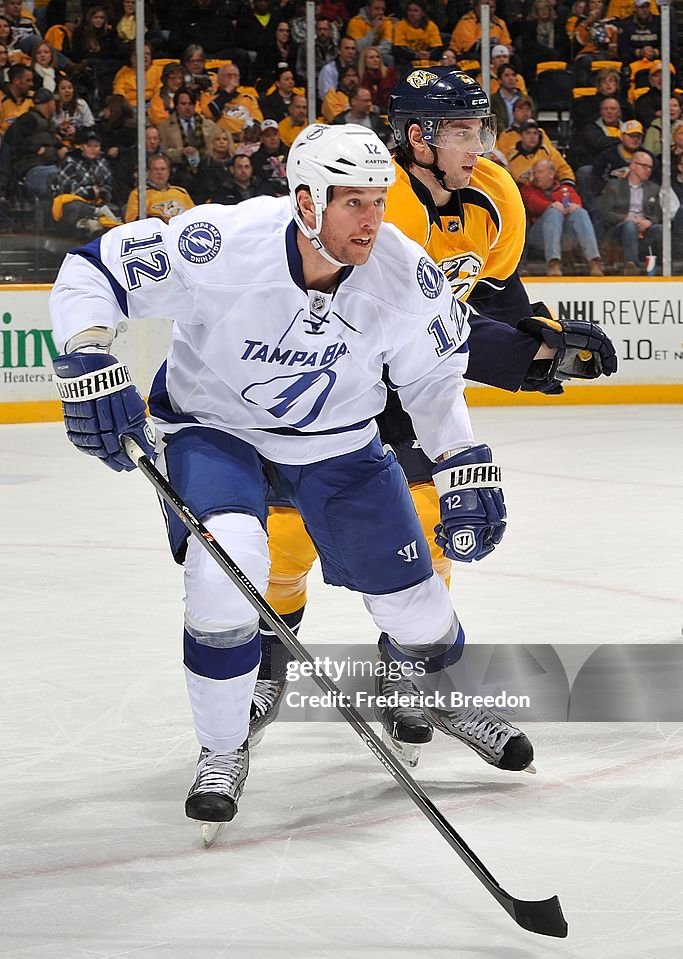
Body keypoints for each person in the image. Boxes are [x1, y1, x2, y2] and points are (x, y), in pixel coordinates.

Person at [49, 123, 533, 838]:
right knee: (227, 576)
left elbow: (433, 379)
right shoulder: (219, 242)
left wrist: (462, 461)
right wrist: (88, 354)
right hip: (216, 432)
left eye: (378, 200)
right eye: (353, 204)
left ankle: (434, 692)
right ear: (305, 201)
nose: (372, 220)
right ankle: (221, 750)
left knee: (418, 612)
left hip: (340, 445)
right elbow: (92, 271)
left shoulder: (403, 272)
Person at [255, 70, 618, 765]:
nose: (477, 144)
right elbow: (392, 326)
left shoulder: (494, 195)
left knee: (431, 537)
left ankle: (412, 682)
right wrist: (520, 359)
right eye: (459, 131)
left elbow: (495, 298)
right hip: (326, 392)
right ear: (416, 137)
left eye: (479, 128)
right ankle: (258, 678)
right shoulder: (376, 209)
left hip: (414, 399)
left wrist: (539, 343)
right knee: (283, 543)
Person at [520, 158, 603, 276]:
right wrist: (551, 205)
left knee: (580, 212)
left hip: (566, 236)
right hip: (539, 236)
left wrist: (573, 206)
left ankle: (594, 261)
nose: (535, 176)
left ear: (551, 174)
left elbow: (576, 201)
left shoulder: (566, 189)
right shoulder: (528, 189)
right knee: (553, 212)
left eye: (539, 172)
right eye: (534, 172)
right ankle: (553, 263)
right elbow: (532, 204)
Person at [601, 149, 662, 274]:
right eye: (644, 166)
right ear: (633, 166)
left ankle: (664, 267)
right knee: (629, 225)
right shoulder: (614, 186)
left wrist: (649, 222)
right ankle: (632, 265)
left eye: (650, 167)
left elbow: (659, 215)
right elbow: (605, 213)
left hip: (644, 231)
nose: (648, 170)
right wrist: (626, 218)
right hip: (619, 231)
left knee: (660, 229)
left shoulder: (654, 189)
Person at [124, 152, 195, 222]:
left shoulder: (181, 192)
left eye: (163, 169)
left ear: (169, 172)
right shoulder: (139, 194)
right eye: (156, 169)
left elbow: (195, 215)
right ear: (148, 172)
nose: (159, 172)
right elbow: (131, 221)